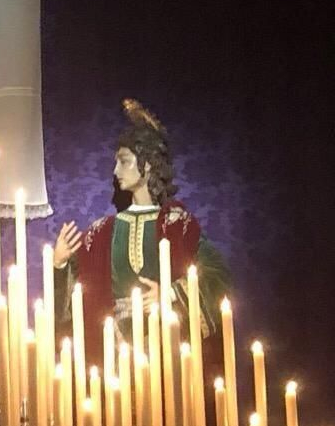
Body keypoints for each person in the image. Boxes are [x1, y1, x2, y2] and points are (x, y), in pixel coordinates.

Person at [51, 100, 230, 342]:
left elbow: (216, 275)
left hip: (165, 341)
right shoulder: (102, 232)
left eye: (124, 161)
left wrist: (172, 293)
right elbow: (78, 294)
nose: (115, 171)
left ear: (147, 164)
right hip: (115, 346)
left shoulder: (178, 224)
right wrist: (61, 264)